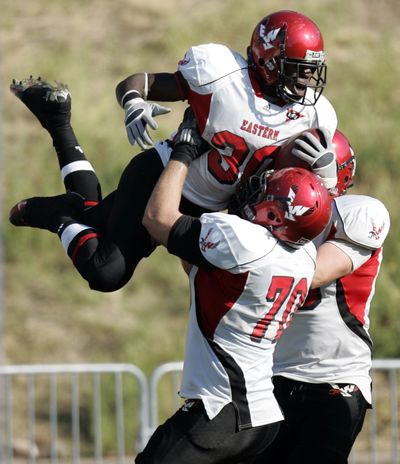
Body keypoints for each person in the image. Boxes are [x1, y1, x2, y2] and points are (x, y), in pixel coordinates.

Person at [8, 9, 338, 292]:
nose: (306, 81)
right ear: (267, 58)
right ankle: (58, 214)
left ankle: (57, 122)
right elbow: (138, 82)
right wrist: (134, 102)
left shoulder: (313, 116)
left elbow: (300, 183)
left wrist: (327, 174)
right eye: (298, 69)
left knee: (92, 222)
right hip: (159, 178)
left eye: (311, 71)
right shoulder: (224, 79)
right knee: (106, 272)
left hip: (207, 210)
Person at [136, 127, 332, 464]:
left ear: (274, 214)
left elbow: (157, 219)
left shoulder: (246, 242)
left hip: (221, 410)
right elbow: (197, 263)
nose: (253, 195)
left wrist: (183, 153)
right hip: (262, 416)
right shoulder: (302, 258)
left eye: (263, 194)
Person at [247, 132, 391, 464]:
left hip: (335, 380)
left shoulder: (361, 212)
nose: (286, 187)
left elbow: (312, 274)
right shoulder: (267, 226)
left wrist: (317, 205)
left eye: (297, 177)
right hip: (275, 377)